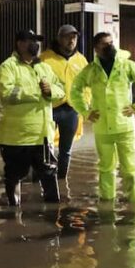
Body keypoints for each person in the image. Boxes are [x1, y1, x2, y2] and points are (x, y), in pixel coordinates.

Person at [70, 32, 135, 204]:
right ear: (96, 48)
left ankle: (134, 201)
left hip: (125, 127)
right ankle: (107, 202)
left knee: (130, 168)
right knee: (106, 168)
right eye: (104, 43)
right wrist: (86, 112)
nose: (109, 46)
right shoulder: (91, 71)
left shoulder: (126, 65)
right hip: (102, 128)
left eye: (110, 42)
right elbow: (75, 91)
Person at [0, 29, 66, 206]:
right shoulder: (8, 67)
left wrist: (51, 91)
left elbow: (61, 90)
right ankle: (13, 218)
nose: (35, 44)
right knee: (14, 176)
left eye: (36, 41)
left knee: (49, 175)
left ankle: (52, 219)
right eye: (30, 40)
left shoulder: (44, 67)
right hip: (16, 139)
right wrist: (38, 92)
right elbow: (7, 94)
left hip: (43, 137)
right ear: (19, 43)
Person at [41, 24, 89, 181]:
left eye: (74, 37)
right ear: (59, 38)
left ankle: (61, 181)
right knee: (45, 148)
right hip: (50, 109)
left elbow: (87, 85)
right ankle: (42, 178)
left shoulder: (81, 60)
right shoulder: (45, 58)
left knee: (66, 150)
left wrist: (84, 105)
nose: (72, 40)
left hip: (71, 110)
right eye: (68, 36)